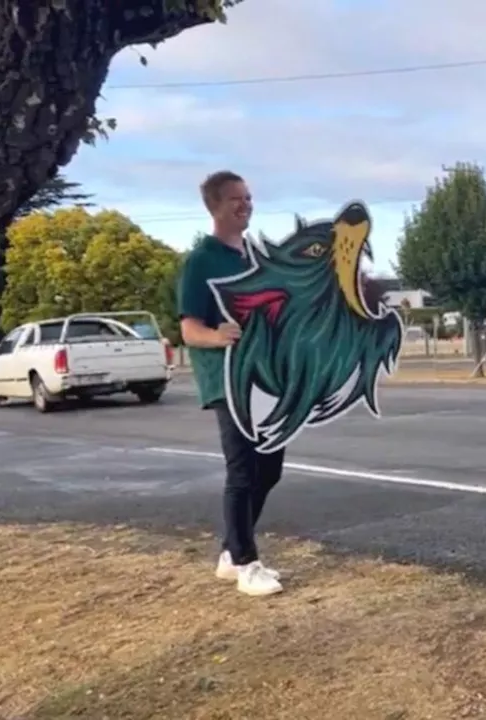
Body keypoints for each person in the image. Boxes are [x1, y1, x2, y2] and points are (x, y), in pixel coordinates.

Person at [177, 170, 284, 597]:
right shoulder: (201, 260)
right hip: (228, 381)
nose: (247, 204)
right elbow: (188, 329)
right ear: (215, 206)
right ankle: (245, 563)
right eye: (237, 199)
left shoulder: (252, 258)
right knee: (242, 470)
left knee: (270, 468)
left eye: (250, 197)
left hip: (266, 379)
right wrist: (216, 336)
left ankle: (229, 553)